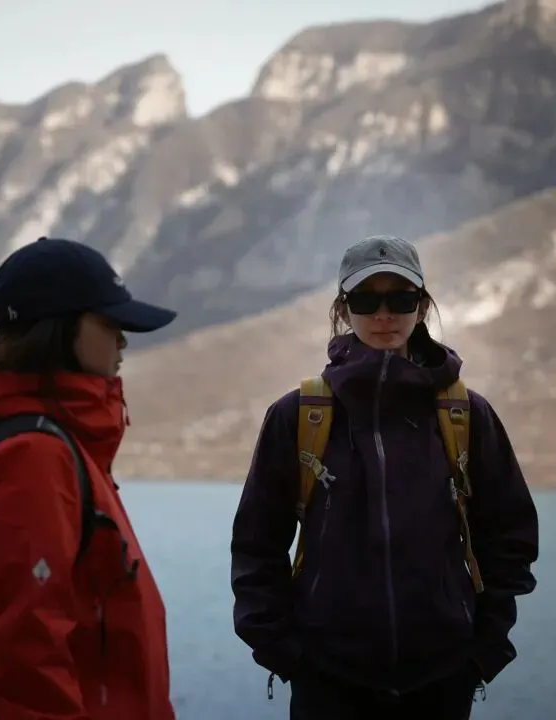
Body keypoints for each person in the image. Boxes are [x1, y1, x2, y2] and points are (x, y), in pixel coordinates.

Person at [230, 234, 540, 719]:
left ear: (422, 306)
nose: (383, 314)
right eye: (365, 300)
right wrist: (285, 653)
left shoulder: (466, 415)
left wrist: (483, 652)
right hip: (328, 682)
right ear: (343, 308)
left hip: (441, 680)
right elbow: (256, 546)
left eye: (400, 298)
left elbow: (509, 538)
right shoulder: (299, 416)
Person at [0, 237, 177, 720]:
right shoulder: (32, 460)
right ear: (60, 329)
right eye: (110, 324)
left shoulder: (60, 446)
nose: (123, 342)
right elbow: (25, 664)